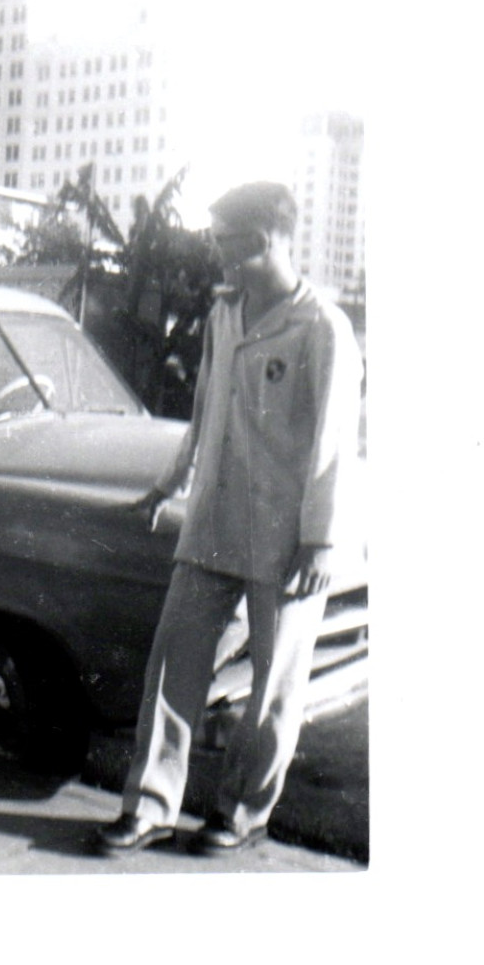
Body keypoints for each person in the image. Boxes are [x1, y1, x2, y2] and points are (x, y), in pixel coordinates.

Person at [90, 181, 363, 855]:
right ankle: (149, 803)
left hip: (287, 536)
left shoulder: (321, 326)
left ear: (264, 240)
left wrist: (320, 539)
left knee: (273, 684)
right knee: (171, 662)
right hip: (212, 522)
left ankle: (241, 812)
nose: (214, 256)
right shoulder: (223, 315)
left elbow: (333, 443)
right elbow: (204, 415)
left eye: (224, 244)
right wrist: (167, 486)